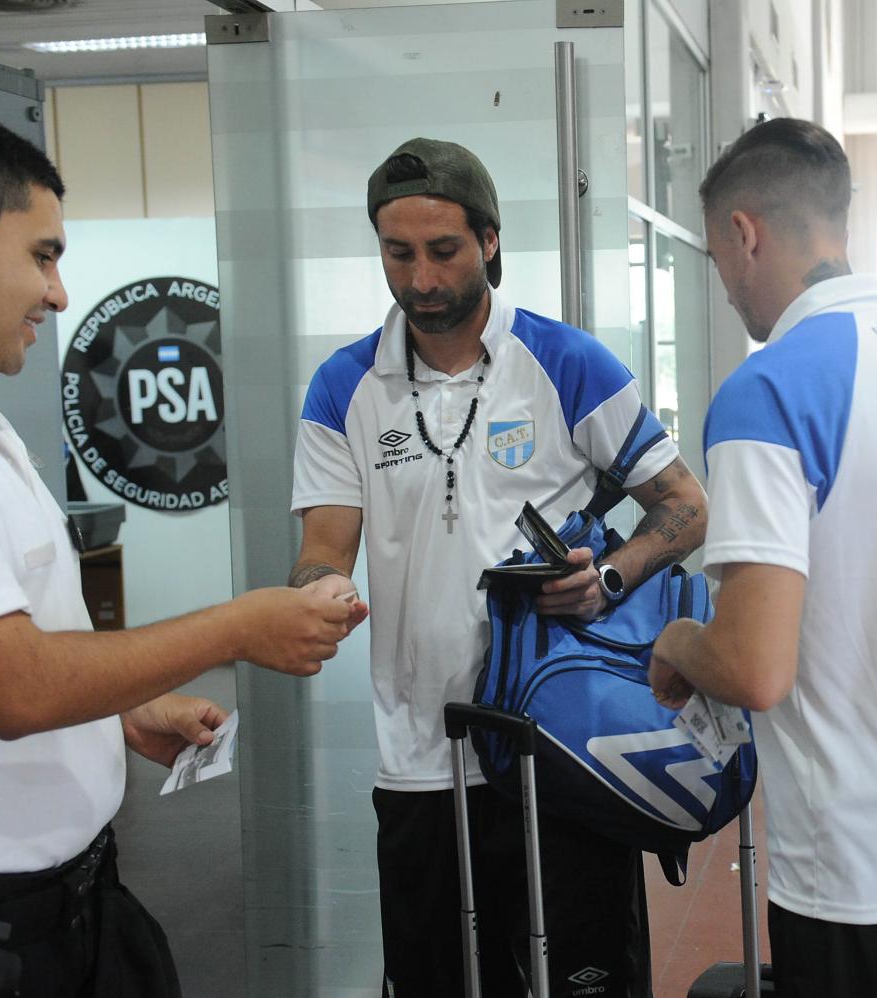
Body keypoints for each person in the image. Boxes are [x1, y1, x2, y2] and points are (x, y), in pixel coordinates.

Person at [0, 106, 360, 998]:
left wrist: (118, 713)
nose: (59, 294)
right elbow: (11, 683)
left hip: (65, 908)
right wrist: (238, 627)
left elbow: (3, 650)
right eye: (43, 255)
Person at [288, 137, 707, 998]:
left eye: (443, 251)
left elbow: (684, 507)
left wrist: (612, 576)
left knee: (587, 981)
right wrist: (316, 595)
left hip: (561, 745)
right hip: (419, 756)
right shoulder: (343, 387)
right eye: (397, 254)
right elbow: (322, 552)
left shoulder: (566, 363)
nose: (422, 279)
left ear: (488, 241)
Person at [648, 118, 877, 998]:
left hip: (864, 872)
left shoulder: (767, 390)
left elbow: (750, 665)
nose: (727, 287)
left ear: (744, 233)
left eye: (714, 258)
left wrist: (675, 642)